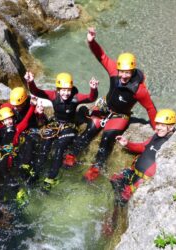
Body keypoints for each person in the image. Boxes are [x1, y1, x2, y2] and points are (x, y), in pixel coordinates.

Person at [63, 27, 157, 182]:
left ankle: (95, 168)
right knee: (90, 130)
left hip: (120, 116)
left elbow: (150, 108)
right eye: (122, 72)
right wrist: (91, 41)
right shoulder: (114, 71)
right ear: (118, 69)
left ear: (133, 71)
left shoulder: (139, 90)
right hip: (105, 107)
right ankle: (72, 155)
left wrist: (157, 129)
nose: (124, 75)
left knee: (107, 138)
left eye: (128, 72)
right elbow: (101, 56)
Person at [103, 109, 176, 235]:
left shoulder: (172, 141)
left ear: (171, 127)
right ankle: (114, 214)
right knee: (115, 180)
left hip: (143, 181)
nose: (158, 128)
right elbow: (144, 146)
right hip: (134, 172)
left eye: (162, 125)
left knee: (123, 198)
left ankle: (115, 222)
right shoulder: (156, 135)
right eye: (157, 124)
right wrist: (127, 143)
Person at [24, 71, 99, 191]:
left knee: (59, 149)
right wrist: (30, 81)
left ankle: (50, 178)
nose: (66, 93)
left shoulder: (75, 97)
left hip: (69, 126)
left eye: (68, 90)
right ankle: (36, 173)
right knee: (45, 147)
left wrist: (93, 88)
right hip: (55, 123)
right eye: (63, 90)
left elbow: (91, 98)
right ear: (58, 89)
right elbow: (36, 92)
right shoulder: (54, 96)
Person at [0, 86, 47, 182]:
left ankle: (28, 177)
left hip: (21, 141)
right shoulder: (2, 126)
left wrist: (35, 108)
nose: (8, 121)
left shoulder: (17, 127)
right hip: (5, 150)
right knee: (0, 167)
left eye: (10, 119)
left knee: (27, 146)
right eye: (5, 120)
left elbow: (27, 119)